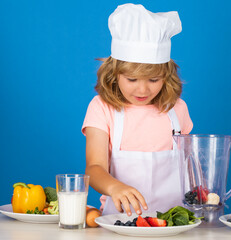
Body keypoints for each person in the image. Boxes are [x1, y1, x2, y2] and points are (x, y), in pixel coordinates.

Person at [82, 3, 193, 216]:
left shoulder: (177, 109)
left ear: (166, 75)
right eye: (132, 79)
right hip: (119, 221)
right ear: (114, 74)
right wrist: (115, 187)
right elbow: (94, 168)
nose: (142, 89)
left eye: (153, 79)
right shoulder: (102, 108)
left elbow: (189, 169)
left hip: (173, 225)